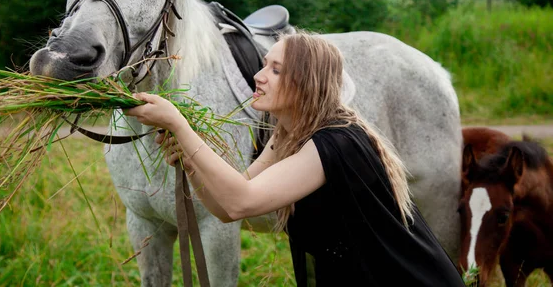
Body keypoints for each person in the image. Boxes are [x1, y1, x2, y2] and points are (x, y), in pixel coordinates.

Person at [124, 32, 464, 286]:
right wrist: (190, 162)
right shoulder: (286, 137)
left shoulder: (336, 142)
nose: (259, 76)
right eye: (263, 65)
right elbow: (228, 207)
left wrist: (180, 126)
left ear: (305, 83)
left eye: (275, 69)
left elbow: (241, 202)